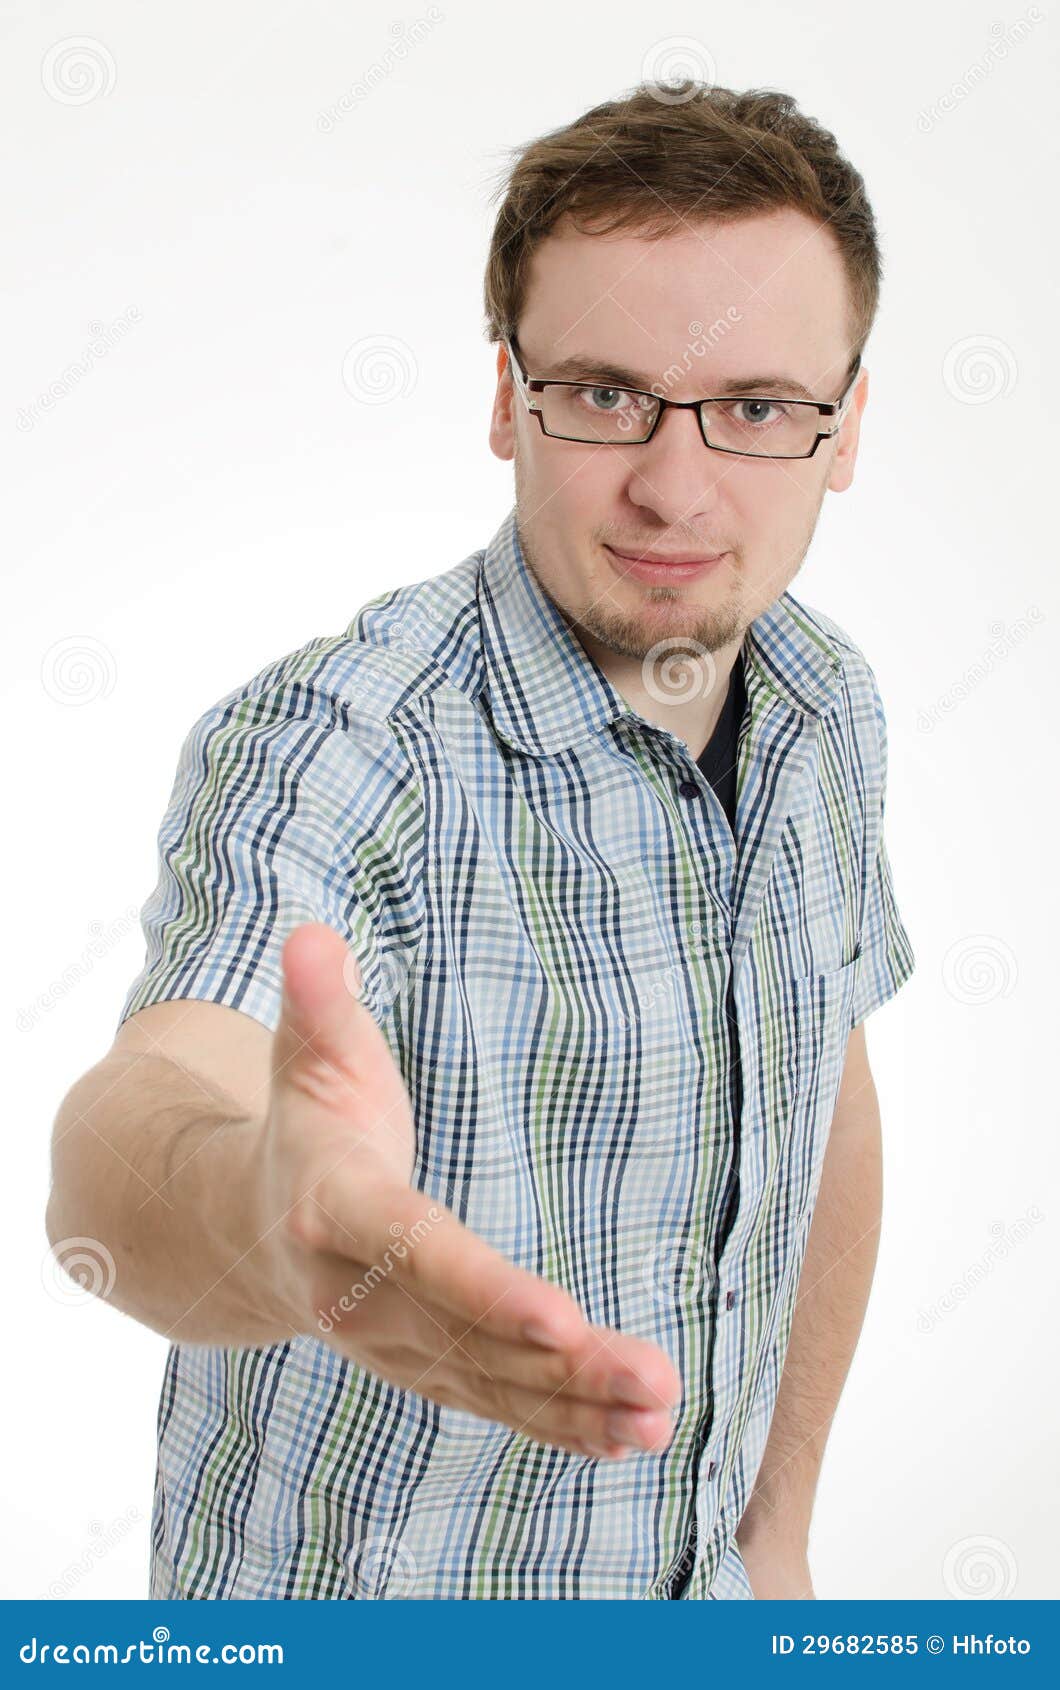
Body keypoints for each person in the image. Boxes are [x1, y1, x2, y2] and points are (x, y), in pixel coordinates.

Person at [46, 80, 915, 1601]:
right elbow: (134, 1128)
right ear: (509, 397)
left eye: (759, 409)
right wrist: (265, 1208)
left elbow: (824, 1092)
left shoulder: (826, 704)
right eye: (603, 393)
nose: (674, 482)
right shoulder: (348, 744)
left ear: (844, 429)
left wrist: (777, 1536)